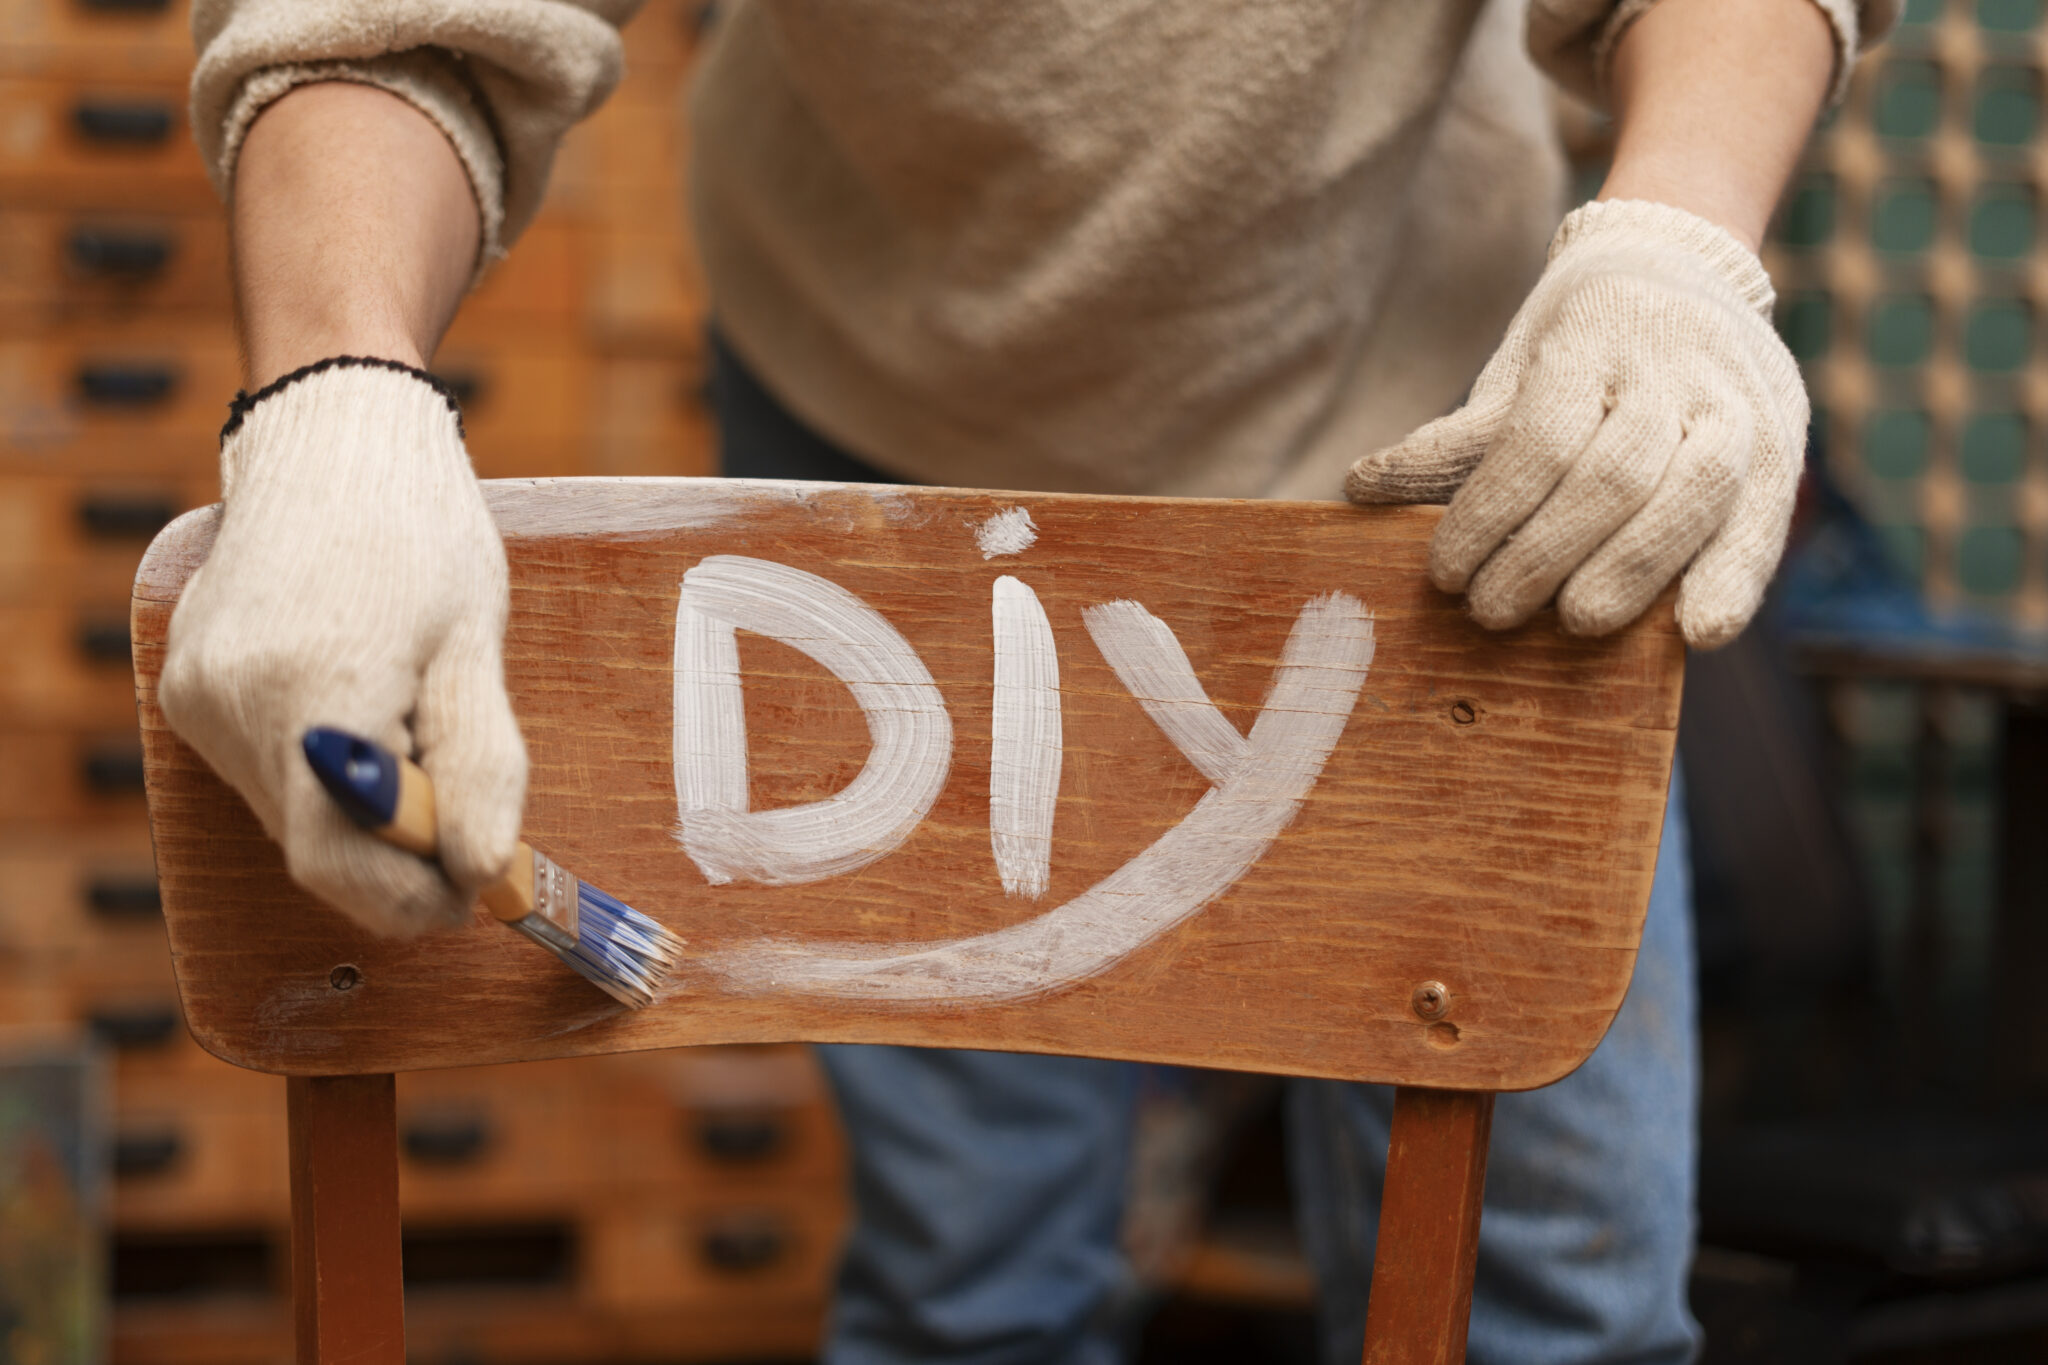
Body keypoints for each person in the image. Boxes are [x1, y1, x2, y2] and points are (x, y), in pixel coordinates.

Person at [162, 0, 1892, 1360]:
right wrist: (332, 396)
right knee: (971, 1288)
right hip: (879, 402)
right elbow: (390, 20)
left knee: (1555, 1310)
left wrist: (1680, 244)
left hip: (1444, 435)